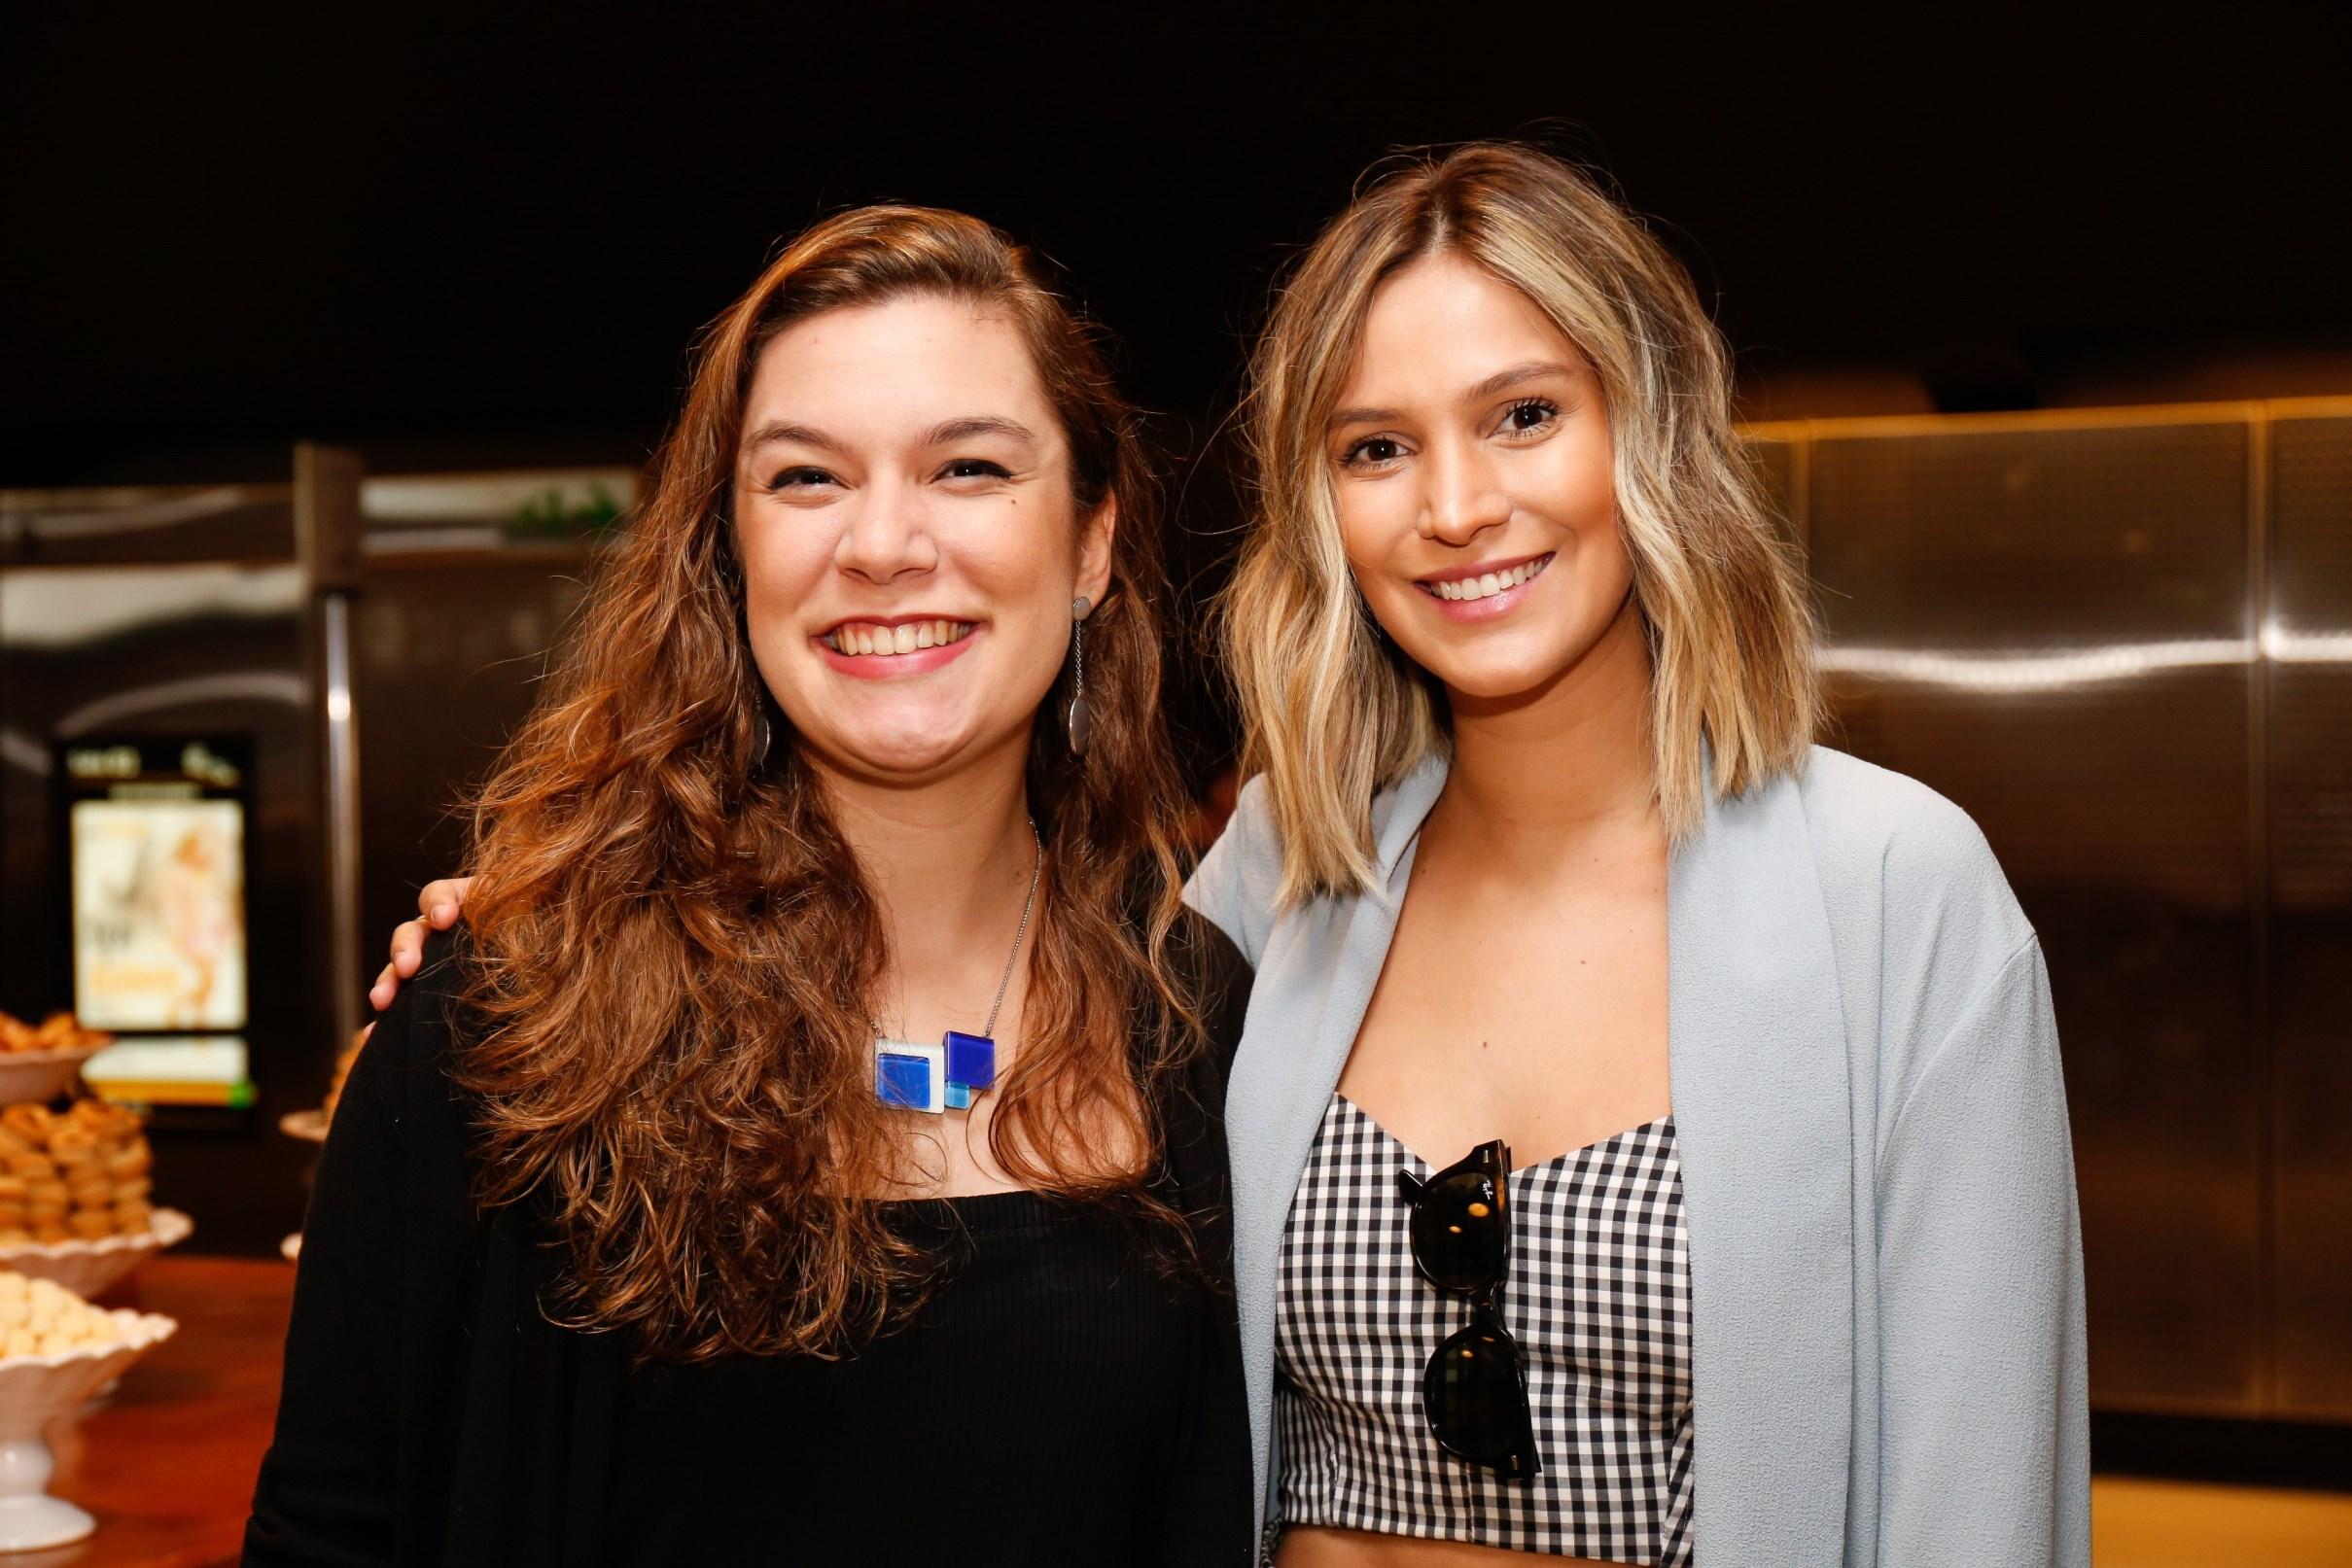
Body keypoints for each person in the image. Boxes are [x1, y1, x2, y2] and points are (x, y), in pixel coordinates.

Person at [380, 145, 2091, 1567]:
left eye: (1521, 416)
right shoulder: (1284, 875)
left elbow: (1977, 1496)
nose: (1456, 506)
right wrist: (559, 940)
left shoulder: (1894, 896)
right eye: (1375, 447)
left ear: (1650, 436)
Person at [248, 205, 1253, 1567]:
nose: (885, 543)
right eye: (805, 478)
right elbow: (330, 1535)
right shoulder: (502, 1026)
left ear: (1088, 545)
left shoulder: (1205, 1015)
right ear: (728, 551)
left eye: (967, 467)